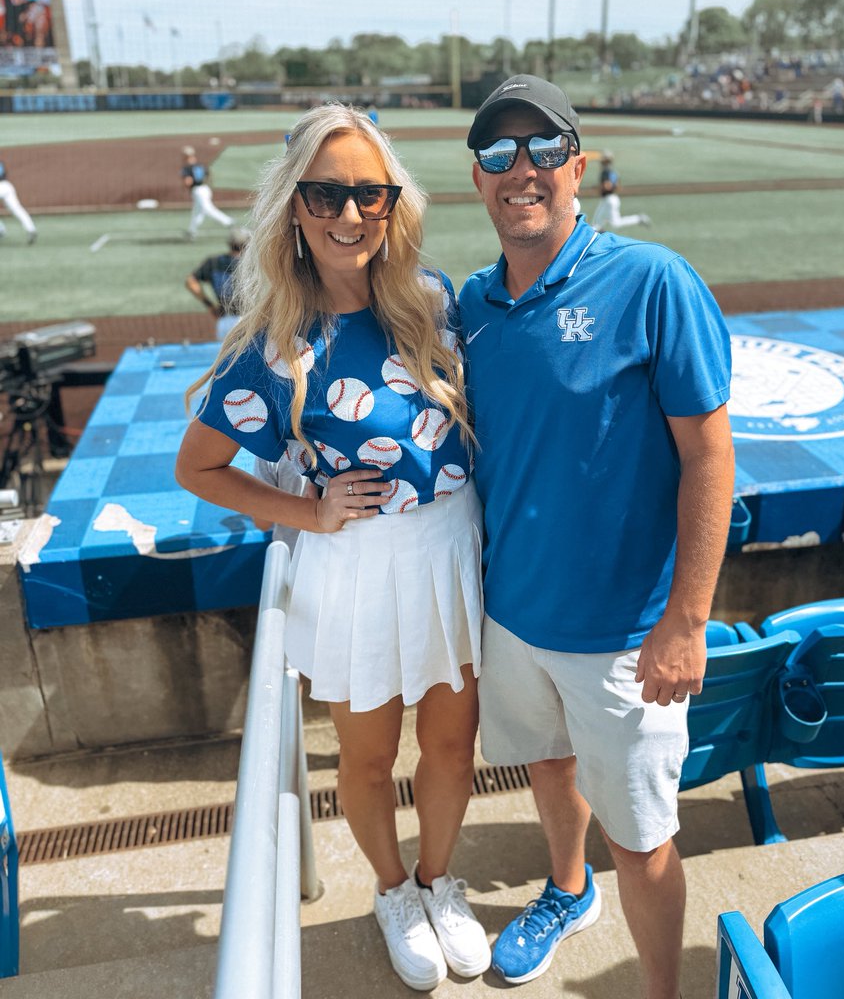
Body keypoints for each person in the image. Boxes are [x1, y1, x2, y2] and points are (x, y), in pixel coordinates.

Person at [175, 104, 491, 990]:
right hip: (355, 566)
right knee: (364, 755)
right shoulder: (276, 344)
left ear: (394, 206)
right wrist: (308, 516)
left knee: (452, 745)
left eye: (370, 194)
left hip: (449, 553)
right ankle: (391, 890)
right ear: (294, 206)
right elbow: (198, 467)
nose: (350, 214)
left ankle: (438, 878)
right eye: (327, 193)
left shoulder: (433, 301)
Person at [459, 74, 734, 998]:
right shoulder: (472, 308)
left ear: (578, 167)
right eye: (499, 154)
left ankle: (661, 989)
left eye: (542, 150)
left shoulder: (653, 282)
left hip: (628, 637)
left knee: (644, 839)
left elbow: (710, 456)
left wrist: (688, 619)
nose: (521, 169)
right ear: (478, 180)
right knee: (545, 762)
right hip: (514, 616)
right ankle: (566, 891)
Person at [185, 228, 250, 340]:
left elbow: (190, 282)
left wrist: (209, 305)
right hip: (247, 320)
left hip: (224, 321)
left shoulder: (213, 262)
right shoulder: (252, 263)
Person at [182, 145, 233, 239]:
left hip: (197, 190)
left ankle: (228, 221)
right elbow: (208, 176)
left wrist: (186, 185)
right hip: (206, 189)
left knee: (207, 209)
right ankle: (191, 231)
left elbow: (188, 181)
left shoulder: (187, 168)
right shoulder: (201, 166)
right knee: (197, 211)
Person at [591, 151, 651, 231]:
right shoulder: (613, 172)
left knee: (611, 223)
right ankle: (601, 235)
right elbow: (618, 187)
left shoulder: (606, 172)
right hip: (610, 199)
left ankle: (639, 218)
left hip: (609, 200)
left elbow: (607, 185)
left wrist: (597, 188)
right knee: (597, 224)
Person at [0, 161, 37, 244]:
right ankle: (31, 229)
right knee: (17, 209)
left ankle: (0, 229)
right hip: (7, 186)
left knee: (17, 209)